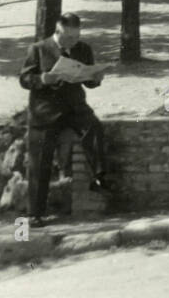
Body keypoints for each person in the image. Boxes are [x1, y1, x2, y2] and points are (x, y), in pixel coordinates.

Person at [19, 12, 113, 225]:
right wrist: (42, 78)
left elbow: (88, 81)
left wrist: (95, 78)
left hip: (75, 108)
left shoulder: (83, 49)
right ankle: (34, 213)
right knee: (40, 159)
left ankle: (99, 178)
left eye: (76, 37)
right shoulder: (39, 49)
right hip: (45, 111)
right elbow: (24, 79)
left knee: (94, 128)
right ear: (57, 32)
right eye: (68, 38)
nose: (73, 42)